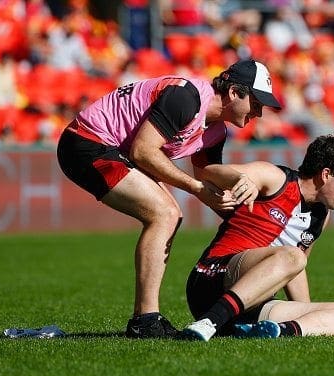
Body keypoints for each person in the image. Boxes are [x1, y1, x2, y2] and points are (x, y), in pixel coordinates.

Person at [56, 59, 282, 339]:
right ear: (235, 92)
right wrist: (198, 189)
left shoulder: (216, 130)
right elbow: (143, 152)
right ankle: (145, 319)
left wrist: (239, 188)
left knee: (169, 214)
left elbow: (206, 172)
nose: (259, 113)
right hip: (86, 143)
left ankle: (146, 317)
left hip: (111, 149)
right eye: (257, 102)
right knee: (165, 214)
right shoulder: (186, 97)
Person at [180, 135, 334, 341]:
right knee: (294, 256)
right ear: (326, 174)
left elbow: (295, 269)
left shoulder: (321, 216)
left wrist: (305, 309)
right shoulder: (276, 178)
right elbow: (209, 172)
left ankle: (278, 332)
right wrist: (238, 180)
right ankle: (210, 321)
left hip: (252, 304)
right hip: (212, 280)